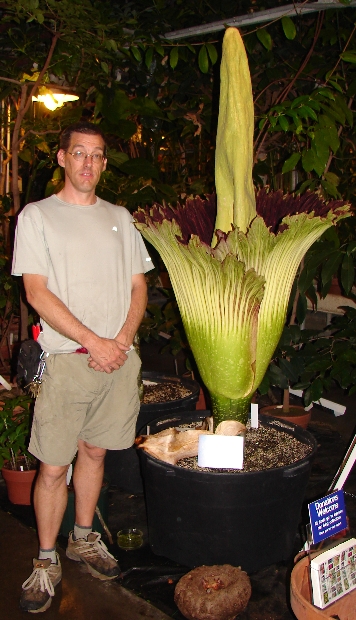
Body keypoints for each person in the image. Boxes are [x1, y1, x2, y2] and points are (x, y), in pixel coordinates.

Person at [12, 121, 153, 613]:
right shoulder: (37, 216)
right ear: (62, 158)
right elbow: (35, 292)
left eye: (97, 155)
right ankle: (46, 559)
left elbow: (139, 286)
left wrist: (121, 341)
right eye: (79, 153)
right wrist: (94, 341)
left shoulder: (121, 217)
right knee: (53, 466)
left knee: (94, 453)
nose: (88, 163)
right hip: (68, 361)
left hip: (118, 358)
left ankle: (83, 537)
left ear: (104, 164)